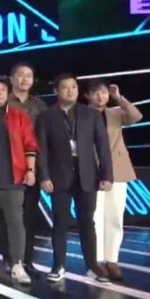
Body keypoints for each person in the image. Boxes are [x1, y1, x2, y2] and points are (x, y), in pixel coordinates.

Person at [37, 73, 113, 284]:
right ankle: (58, 265)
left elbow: (103, 147)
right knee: (60, 223)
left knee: (87, 223)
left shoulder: (91, 114)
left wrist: (106, 175)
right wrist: (44, 176)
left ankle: (92, 267)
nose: (70, 91)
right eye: (65, 87)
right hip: (58, 177)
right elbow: (42, 149)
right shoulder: (46, 116)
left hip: (87, 176)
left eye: (73, 87)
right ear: (56, 90)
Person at [0, 75, 38, 285]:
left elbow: (30, 145)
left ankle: (18, 265)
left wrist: (30, 170)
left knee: (15, 222)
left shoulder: (19, 116)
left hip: (14, 178)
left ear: (8, 93)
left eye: (3, 89)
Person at [86, 80, 142, 282]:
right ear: (87, 96)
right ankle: (98, 260)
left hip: (118, 169)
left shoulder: (116, 113)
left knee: (116, 216)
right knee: (96, 218)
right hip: (92, 171)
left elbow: (136, 116)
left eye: (103, 92)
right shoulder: (82, 115)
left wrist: (119, 98)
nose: (100, 96)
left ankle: (112, 260)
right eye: (95, 92)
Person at [4, 61, 49, 276]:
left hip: (33, 166)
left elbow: (45, 137)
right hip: (7, 165)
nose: (24, 79)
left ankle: (27, 260)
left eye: (28, 76)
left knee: (28, 217)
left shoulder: (40, 106)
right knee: (8, 216)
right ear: (12, 79)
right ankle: (10, 259)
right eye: (20, 75)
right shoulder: (3, 101)